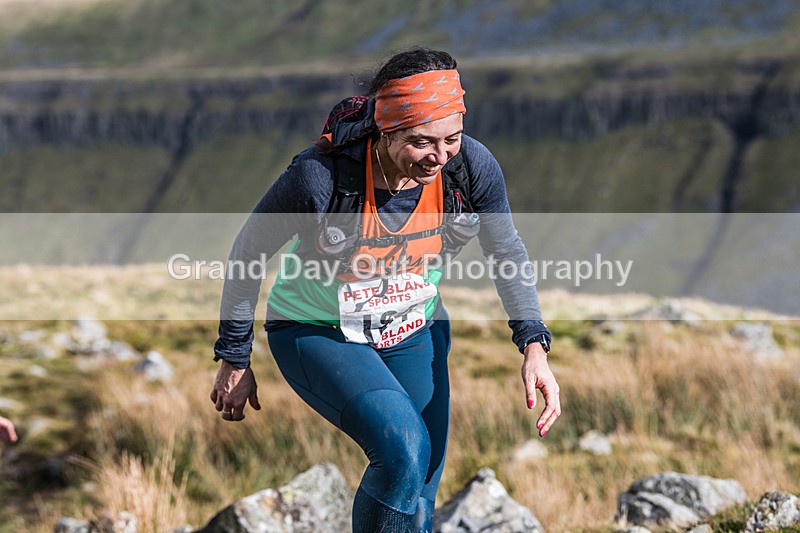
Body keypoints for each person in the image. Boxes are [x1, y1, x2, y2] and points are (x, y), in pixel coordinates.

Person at [210, 47, 561, 533]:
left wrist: (534, 345)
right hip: (318, 330)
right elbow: (248, 251)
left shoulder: (469, 168)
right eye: (422, 142)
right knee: (402, 449)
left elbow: (507, 250)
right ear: (386, 131)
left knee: (420, 486)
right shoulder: (320, 178)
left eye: (451, 138)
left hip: (414, 330)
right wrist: (234, 356)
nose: (439, 156)